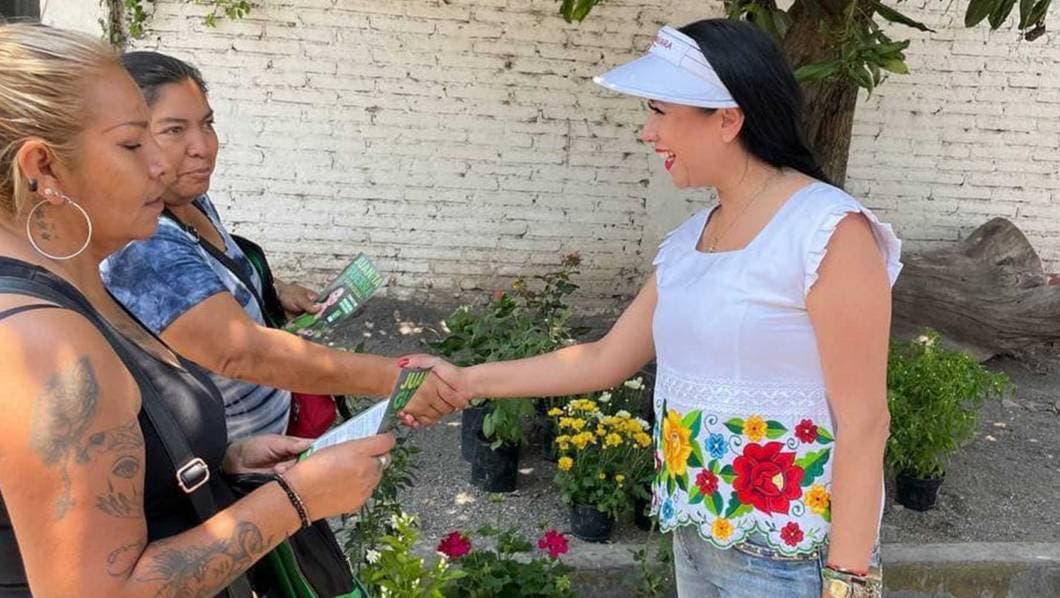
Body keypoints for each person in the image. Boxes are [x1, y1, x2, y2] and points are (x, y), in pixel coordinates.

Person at [404, 19, 900, 598]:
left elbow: (866, 420)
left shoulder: (827, 231)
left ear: (728, 119)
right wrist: (465, 380)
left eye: (660, 112)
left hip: (794, 561)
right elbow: (603, 359)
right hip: (697, 540)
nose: (648, 132)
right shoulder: (690, 242)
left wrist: (847, 582)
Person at [0, 23, 392, 595]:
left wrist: (217, 458)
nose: (161, 164)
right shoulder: (44, 346)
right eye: (133, 144)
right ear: (44, 169)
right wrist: (298, 499)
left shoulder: (65, 288)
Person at [101, 51, 464, 439]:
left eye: (207, 124)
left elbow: (204, 276)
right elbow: (242, 353)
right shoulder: (144, 245)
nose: (202, 147)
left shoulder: (187, 198)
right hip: (231, 458)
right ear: (131, 140)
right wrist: (395, 378)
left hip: (269, 435)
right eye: (174, 130)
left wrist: (269, 291)